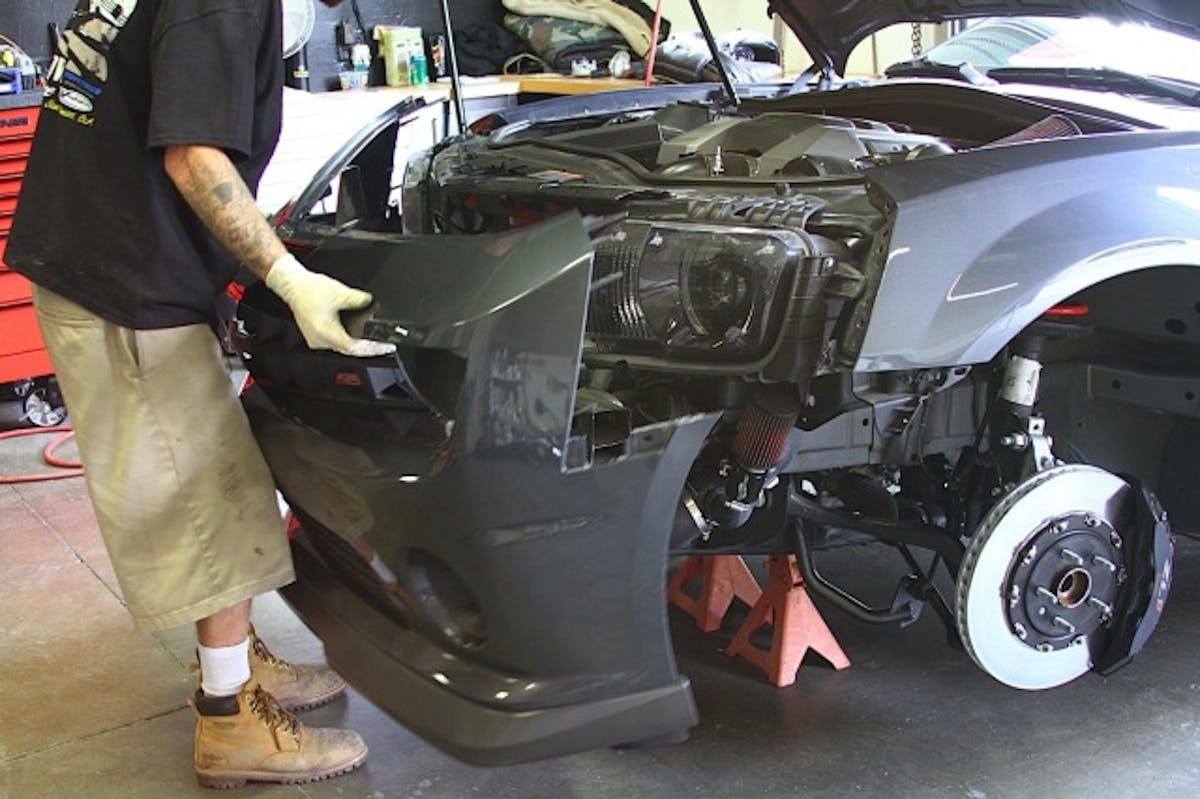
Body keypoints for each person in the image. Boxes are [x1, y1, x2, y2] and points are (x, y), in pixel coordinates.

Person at [5, 0, 394, 789]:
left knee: (219, 481)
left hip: (105, 247)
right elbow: (193, 157)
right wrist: (287, 275)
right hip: (123, 278)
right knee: (207, 500)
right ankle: (230, 722)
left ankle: (234, 657)